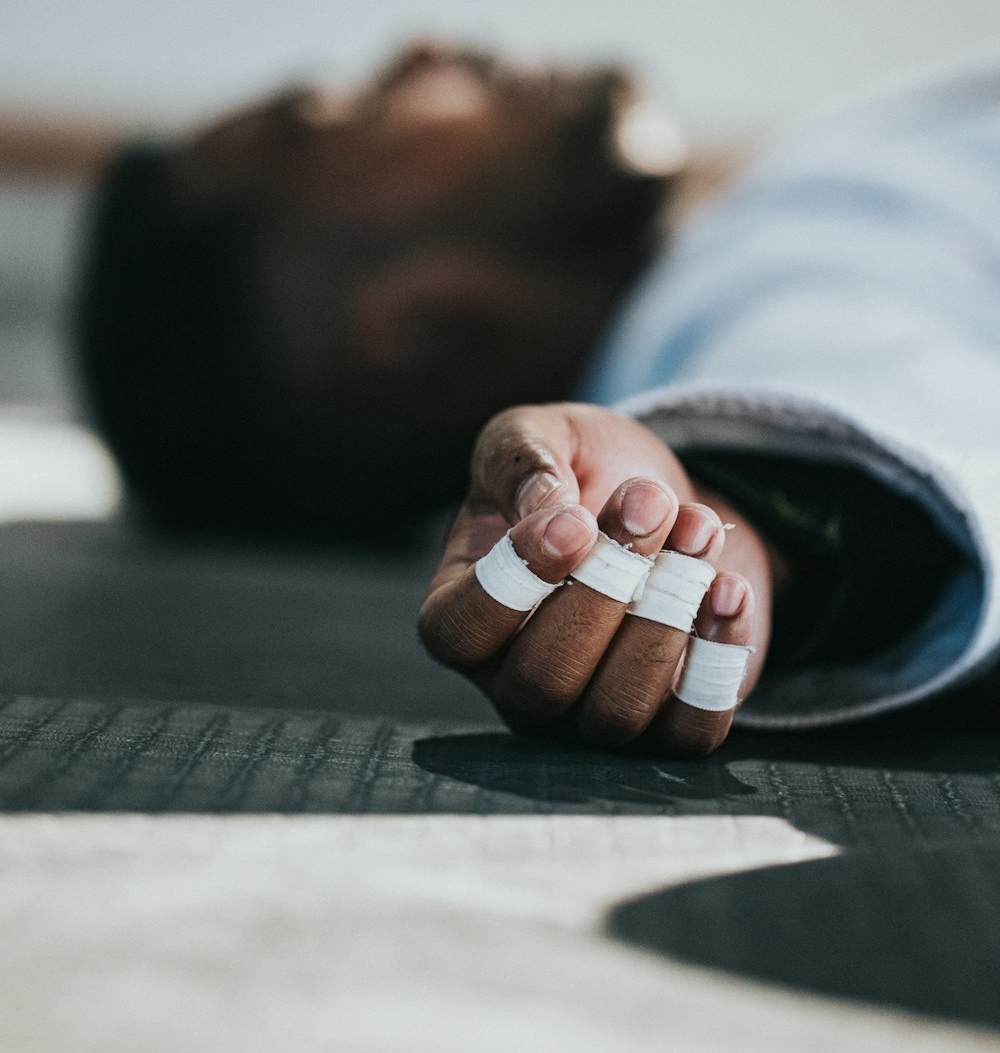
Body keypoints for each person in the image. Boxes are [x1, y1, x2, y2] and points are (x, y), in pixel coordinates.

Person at [75, 40, 1000, 755]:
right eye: (349, 111)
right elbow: (861, 403)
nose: (426, 46)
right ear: (417, 324)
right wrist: (716, 538)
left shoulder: (748, 229)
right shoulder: (764, 272)